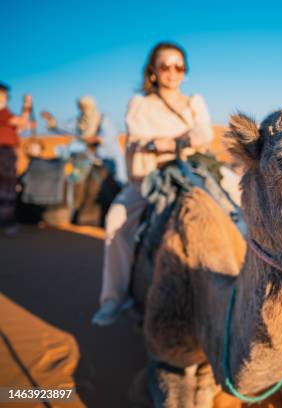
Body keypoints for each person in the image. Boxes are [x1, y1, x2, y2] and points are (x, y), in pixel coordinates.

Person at [92, 42, 214, 326]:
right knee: (116, 223)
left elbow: (204, 132)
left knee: (239, 209)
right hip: (148, 182)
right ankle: (113, 298)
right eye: (165, 66)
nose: (172, 72)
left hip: (191, 176)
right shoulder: (140, 104)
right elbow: (139, 134)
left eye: (179, 66)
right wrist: (171, 140)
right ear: (153, 71)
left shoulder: (194, 102)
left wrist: (175, 141)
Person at [40, 96, 128, 185]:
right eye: (81, 107)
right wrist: (51, 120)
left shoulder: (103, 119)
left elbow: (107, 136)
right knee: (74, 177)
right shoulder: (79, 121)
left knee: (120, 180)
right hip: (88, 158)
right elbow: (64, 128)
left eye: (86, 107)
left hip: (108, 157)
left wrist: (90, 139)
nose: (84, 110)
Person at [0, 83, 33, 235]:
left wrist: (26, 109)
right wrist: (26, 106)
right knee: (6, 188)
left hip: (7, 152)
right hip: (4, 152)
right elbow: (21, 122)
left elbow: (22, 126)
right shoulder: (3, 113)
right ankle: (6, 224)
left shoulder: (5, 113)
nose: (5, 97)